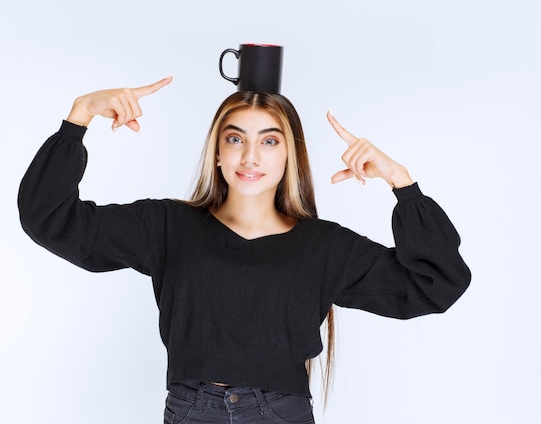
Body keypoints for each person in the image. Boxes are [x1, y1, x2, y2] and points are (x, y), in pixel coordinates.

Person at [18, 77, 471, 424]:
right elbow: (50, 219)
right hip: (191, 411)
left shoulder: (326, 246)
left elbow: (437, 285)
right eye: (235, 138)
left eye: (269, 141)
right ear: (217, 152)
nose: (250, 156)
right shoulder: (167, 226)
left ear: (290, 154)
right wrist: (79, 118)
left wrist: (403, 184)